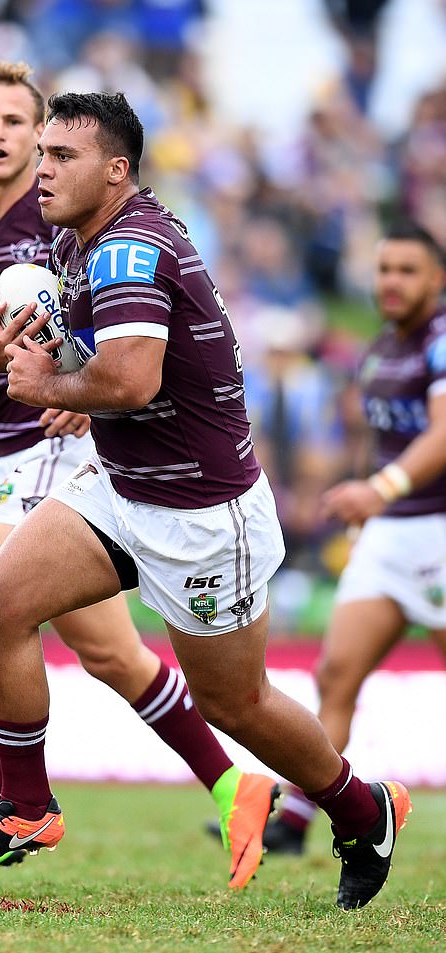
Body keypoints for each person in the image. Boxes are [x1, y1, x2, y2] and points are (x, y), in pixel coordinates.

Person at [0, 90, 411, 910]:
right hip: (122, 483)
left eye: (62, 157)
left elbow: (133, 375)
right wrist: (57, 371)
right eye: (41, 154)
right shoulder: (76, 239)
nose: (43, 171)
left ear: (117, 170)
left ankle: (364, 810)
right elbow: (114, 366)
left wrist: (56, 381)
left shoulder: (129, 247)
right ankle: (25, 808)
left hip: (202, 513)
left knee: (236, 701)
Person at [0, 61, 278, 887]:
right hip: (17, 452)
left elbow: (111, 351)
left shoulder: (62, 228)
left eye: (19, 124)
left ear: (49, 141)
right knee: (113, 656)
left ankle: (6, 805)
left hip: (72, 456)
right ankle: (231, 781)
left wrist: (81, 390)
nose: (5, 138)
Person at [261, 221, 446, 855]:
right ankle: (293, 822)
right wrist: (363, 490)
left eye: (407, 270)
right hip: (390, 534)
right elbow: (383, 441)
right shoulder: (379, 351)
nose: (391, 282)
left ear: (437, 280)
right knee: (337, 673)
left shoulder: (441, 340)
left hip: (437, 529)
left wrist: (382, 487)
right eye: (384, 269)